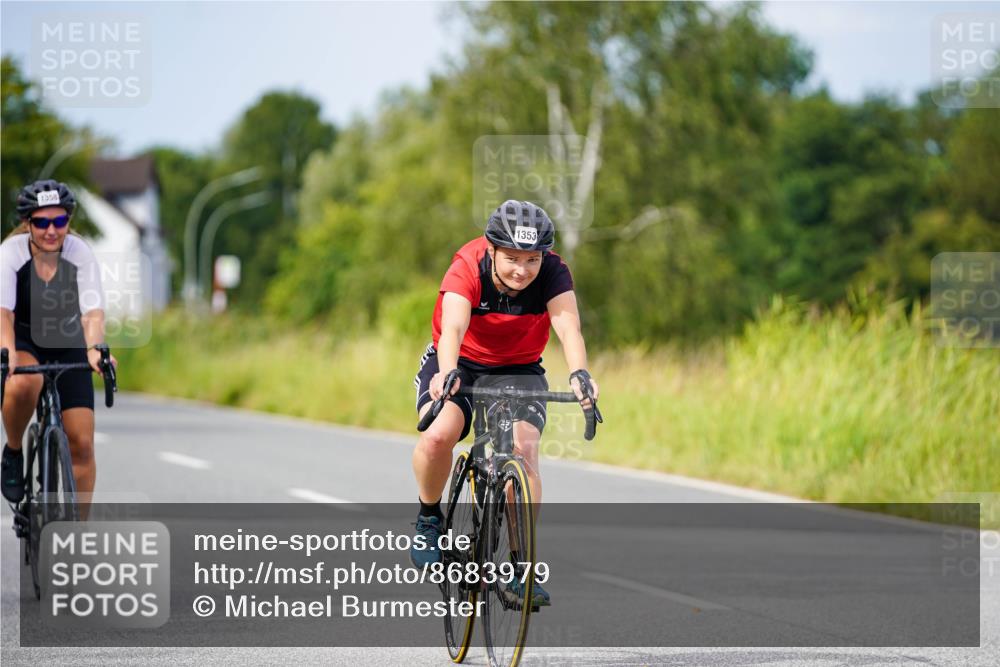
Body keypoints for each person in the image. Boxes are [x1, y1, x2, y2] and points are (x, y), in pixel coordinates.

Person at [411, 199, 600, 608]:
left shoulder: (553, 272)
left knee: (523, 451)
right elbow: (453, 328)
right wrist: (447, 373)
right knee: (439, 436)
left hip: (519, 368)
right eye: (512, 258)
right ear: (492, 249)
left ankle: (519, 568)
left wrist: (579, 374)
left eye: (532, 259)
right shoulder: (467, 264)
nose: (522, 270)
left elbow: (569, 328)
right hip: (460, 361)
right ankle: (428, 519)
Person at [1, 179, 116, 515]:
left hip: (67, 342)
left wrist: (95, 349)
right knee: (24, 383)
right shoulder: (10, 254)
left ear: (68, 220)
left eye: (59, 221)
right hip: (24, 338)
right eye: (41, 222)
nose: (51, 230)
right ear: (27, 223)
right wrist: (7, 353)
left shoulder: (79, 252)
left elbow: (92, 312)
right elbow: (3, 313)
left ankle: (77, 533)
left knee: (82, 443)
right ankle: (13, 450)